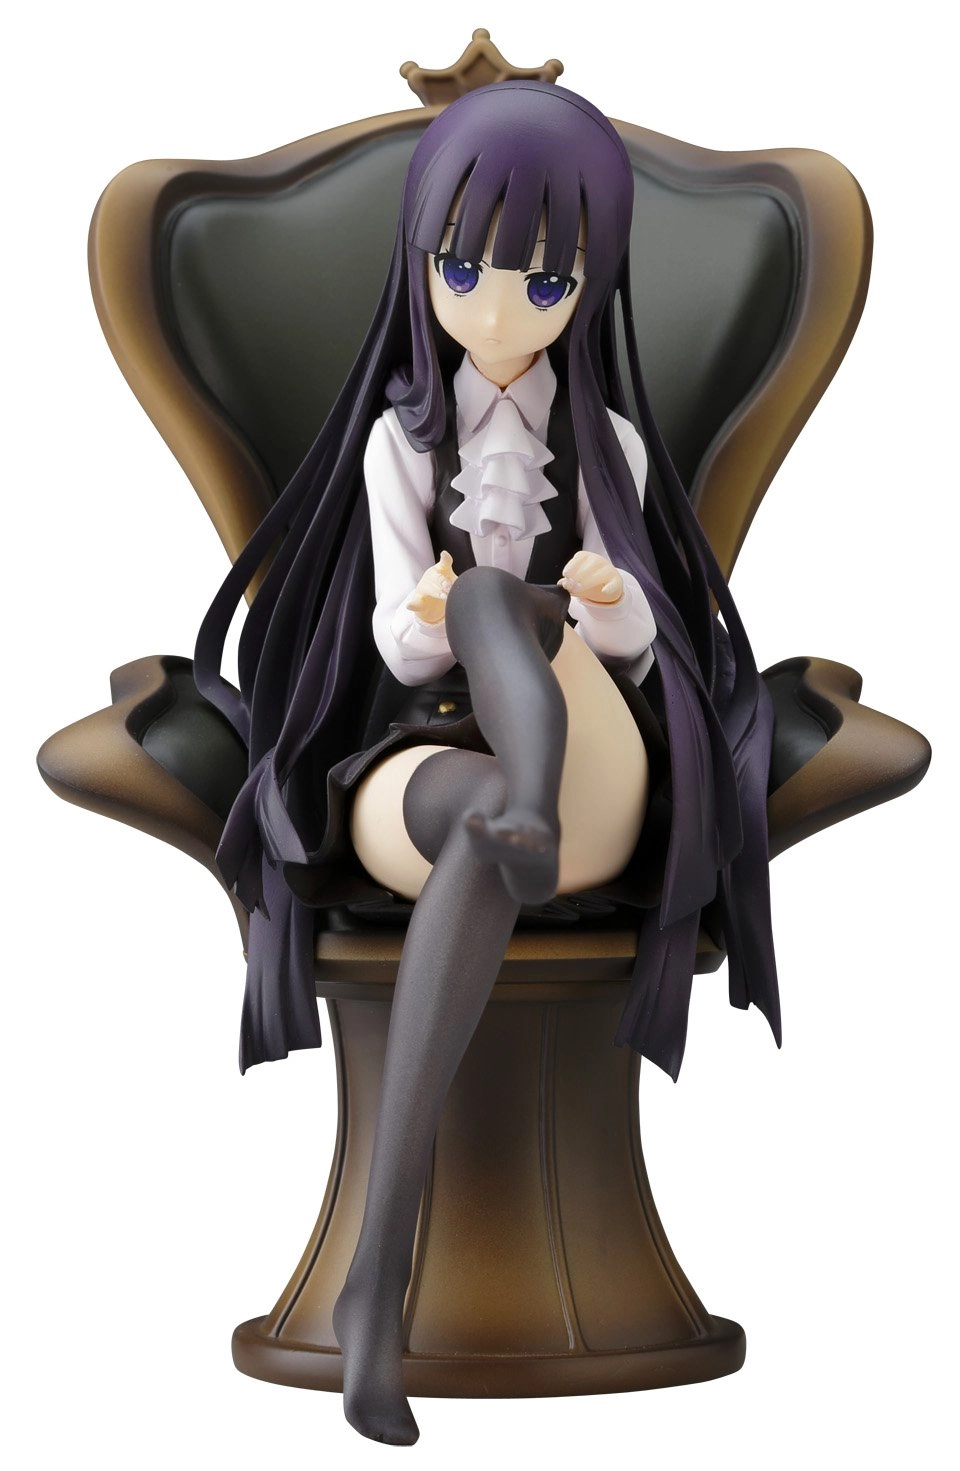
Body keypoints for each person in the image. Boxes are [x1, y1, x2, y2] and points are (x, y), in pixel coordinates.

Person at [194, 79, 780, 1444]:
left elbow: (642, 645)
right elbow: (392, 653)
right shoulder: (400, 445)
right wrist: (423, 619)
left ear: (592, 284)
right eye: (464, 271)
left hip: (585, 767)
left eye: (545, 280)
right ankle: (378, 1281)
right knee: (468, 640)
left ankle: (526, 796)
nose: (501, 312)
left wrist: (604, 604)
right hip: (431, 765)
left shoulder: (609, 447)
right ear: (420, 262)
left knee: (508, 606)